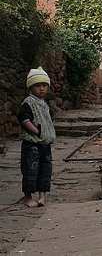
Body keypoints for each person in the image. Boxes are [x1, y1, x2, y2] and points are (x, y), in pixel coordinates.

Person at [17, 67, 56, 207]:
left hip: (45, 143)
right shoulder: (29, 103)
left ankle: (42, 196)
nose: (41, 89)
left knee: (45, 170)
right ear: (30, 87)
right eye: (37, 86)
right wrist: (36, 131)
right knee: (30, 170)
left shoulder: (44, 104)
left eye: (44, 85)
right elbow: (24, 119)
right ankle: (27, 197)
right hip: (32, 144)